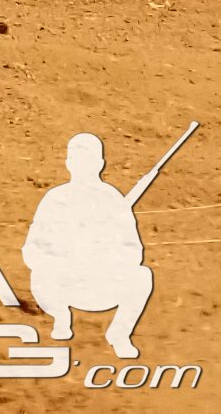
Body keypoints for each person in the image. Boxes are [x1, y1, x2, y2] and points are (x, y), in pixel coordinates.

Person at [25, 132, 157, 359]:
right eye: (77, 160)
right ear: (68, 164)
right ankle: (60, 317)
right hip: (63, 286)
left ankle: (119, 334)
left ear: (100, 164)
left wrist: (104, 254)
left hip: (101, 285)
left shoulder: (112, 200)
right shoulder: (55, 199)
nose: (83, 166)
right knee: (40, 274)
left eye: (89, 160)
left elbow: (133, 251)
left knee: (142, 276)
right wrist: (62, 256)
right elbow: (31, 250)